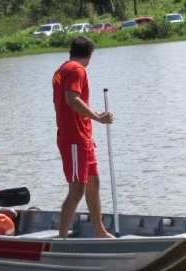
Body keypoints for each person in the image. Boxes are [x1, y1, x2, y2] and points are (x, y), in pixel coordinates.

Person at [52, 36, 115, 239]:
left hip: (83, 137)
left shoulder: (62, 69)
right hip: (74, 138)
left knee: (93, 182)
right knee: (77, 188)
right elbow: (72, 99)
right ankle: (61, 238)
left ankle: (99, 230)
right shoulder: (76, 70)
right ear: (89, 54)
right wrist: (97, 117)